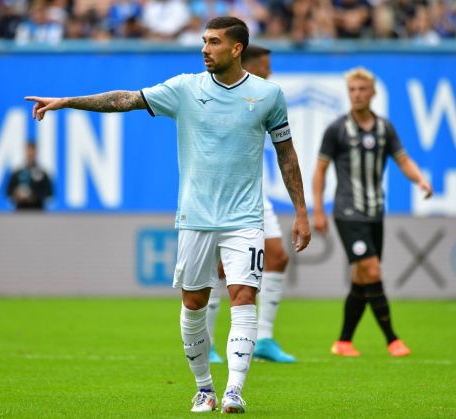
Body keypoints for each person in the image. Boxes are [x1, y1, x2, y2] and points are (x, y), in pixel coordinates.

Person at [25, 16, 311, 414]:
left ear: (236, 48)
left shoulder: (267, 95)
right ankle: (204, 388)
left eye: (213, 42)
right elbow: (126, 99)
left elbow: (286, 153)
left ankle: (234, 391)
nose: (204, 48)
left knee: (244, 295)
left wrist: (301, 210)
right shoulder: (184, 89)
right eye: (203, 41)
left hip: (244, 218)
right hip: (194, 217)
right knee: (194, 302)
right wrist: (69, 101)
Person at [312, 67, 432, 358]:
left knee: (362, 277)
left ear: (373, 93)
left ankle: (343, 341)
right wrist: (318, 210)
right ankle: (392, 339)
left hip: (375, 211)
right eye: (352, 90)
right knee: (372, 270)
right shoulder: (337, 129)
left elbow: (402, 160)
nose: (356, 95)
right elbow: (320, 171)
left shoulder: (384, 128)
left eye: (362, 89)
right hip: (348, 212)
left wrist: (420, 179)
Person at [206, 45, 296, 365]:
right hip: (222, 196)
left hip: (255, 192)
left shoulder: (265, 98)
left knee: (278, 256)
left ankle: (265, 339)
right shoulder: (221, 95)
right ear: (250, 64)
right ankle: (209, 345)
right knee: (219, 269)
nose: (270, 73)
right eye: (266, 68)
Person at [6, 142, 54, 210]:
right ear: (25, 152)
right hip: (20, 211)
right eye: (28, 151)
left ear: (36, 152)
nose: (30, 154)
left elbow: (50, 193)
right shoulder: (17, 173)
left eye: (32, 151)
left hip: (37, 211)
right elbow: (8, 191)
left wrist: (35, 197)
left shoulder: (42, 174)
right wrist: (16, 195)